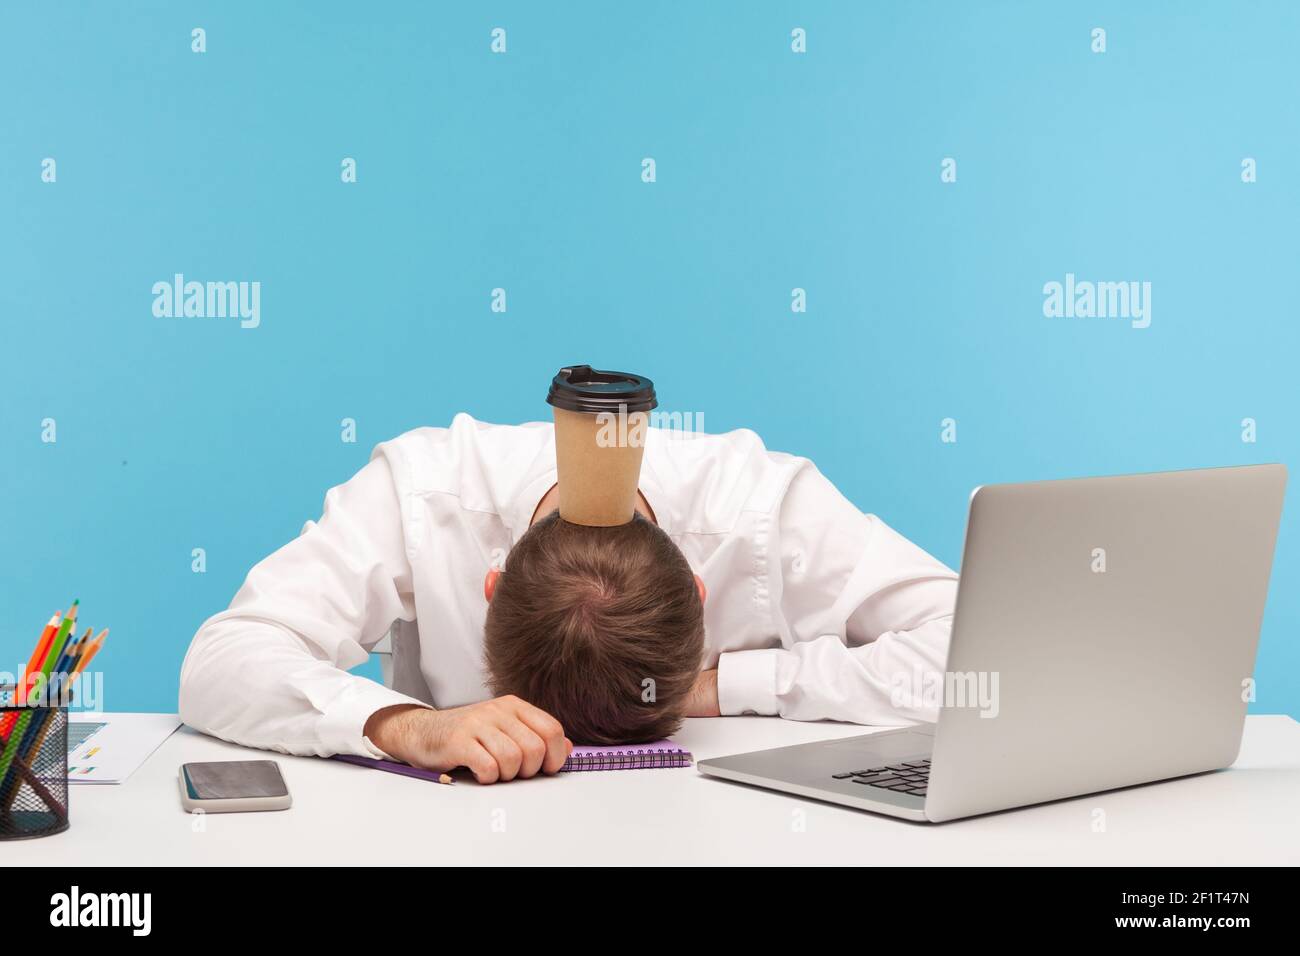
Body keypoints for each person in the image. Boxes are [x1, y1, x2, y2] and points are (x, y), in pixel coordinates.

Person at [179, 413, 958, 783]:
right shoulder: (423, 489)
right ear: (489, 592)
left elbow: (978, 644)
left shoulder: (762, 503)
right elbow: (221, 660)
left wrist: (728, 689)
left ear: (697, 587)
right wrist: (408, 726)